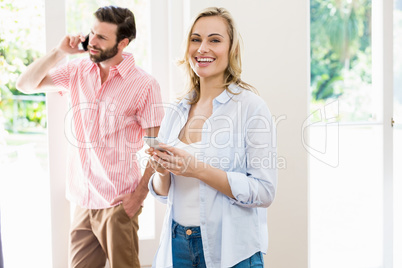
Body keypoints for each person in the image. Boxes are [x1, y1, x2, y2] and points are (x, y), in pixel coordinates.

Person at [16, 5, 164, 268]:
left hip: (119, 203)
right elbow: (25, 85)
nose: (91, 42)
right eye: (92, 33)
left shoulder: (144, 85)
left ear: (123, 43)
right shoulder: (76, 71)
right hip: (82, 202)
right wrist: (59, 52)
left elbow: (157, 149)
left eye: (102, 38)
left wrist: (138, 198)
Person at [147, 7, 277, 268]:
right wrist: (161, 171)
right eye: (196, 39)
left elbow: (264, 192)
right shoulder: (176, 111)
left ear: (232, 50)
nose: (202, 48)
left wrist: (198, 170)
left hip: (232, 251)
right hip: (178, 246)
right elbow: (163, 194)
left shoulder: (251, 107)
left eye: (214, 40)